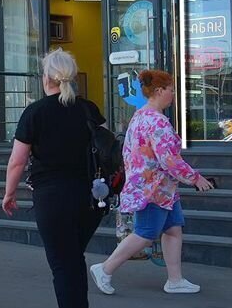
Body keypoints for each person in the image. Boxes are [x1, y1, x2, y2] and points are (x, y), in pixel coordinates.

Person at [1, 49, 108, 308]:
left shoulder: (36, 112)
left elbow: (17, 162)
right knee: (74, 260)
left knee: (64, 265)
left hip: (52, 197)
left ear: (45, 77)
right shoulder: (88, 109)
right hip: (89, 197)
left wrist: (9, 193)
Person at [90, 69, 214, 296]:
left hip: (154, 186)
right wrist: (195, 178)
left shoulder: (140, 117)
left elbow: (129, 152)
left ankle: (175, 280)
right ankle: (105, 269)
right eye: (171, 90)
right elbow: (169, 160)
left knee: (173, 229)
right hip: (154, 188)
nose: (173, 94)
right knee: (146, 233)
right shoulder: (158, 122)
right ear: (159, 91)